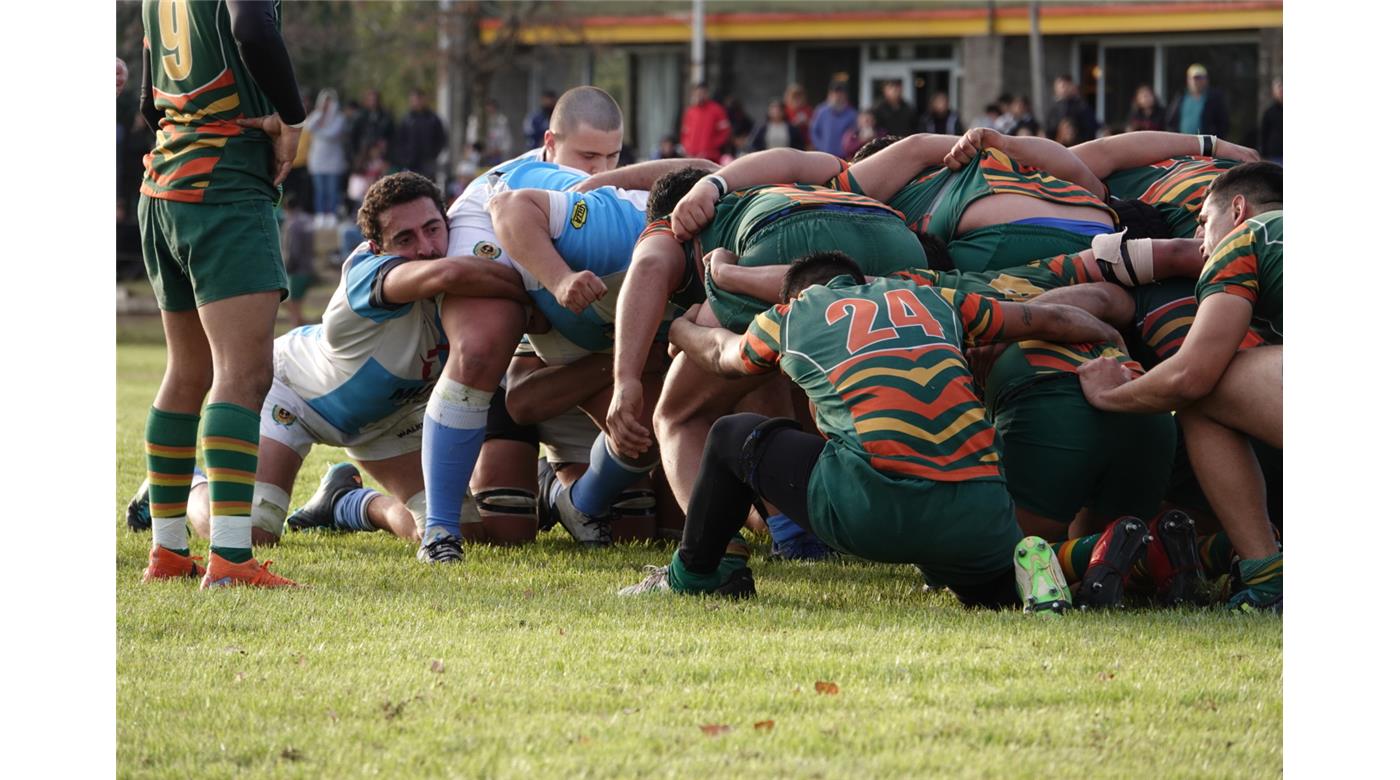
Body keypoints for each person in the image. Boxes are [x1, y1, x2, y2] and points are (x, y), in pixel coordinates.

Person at [619, 252, 1122, 610]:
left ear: (797, 294)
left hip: (873, 507)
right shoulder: (935, 299)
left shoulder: (796, 314)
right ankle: (1091, 553)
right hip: (980, 514)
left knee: (733, 435)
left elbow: (721, 355)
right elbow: (1052, 319)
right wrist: (1113, 342)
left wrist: (679, 328)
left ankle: (696, 575)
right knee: (996, 594)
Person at [128, 173, 533, 549]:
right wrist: (544, 286)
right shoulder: (367, 271)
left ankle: (346, 502)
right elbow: (445, 275)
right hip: (293, 396)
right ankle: (187, 484)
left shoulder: (459, 270)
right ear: (377, 248)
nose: (426, 248)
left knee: (463, 531)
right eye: (405, 238)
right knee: (252, 532)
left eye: (432, 228)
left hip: (391, 419)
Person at [136, 0, 306, 587]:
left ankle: (168, 553)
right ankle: (231, 559)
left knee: (187, 372)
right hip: (224, 183)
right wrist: (292, 118)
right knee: (244, 373)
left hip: (164, 181)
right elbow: (251, 26)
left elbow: (149, 85)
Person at [1077, 162, 1282, 611]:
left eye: (1205, 221)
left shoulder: (1244, 240)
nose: (1200, 239)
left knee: (1204, 395)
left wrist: (1109, 394)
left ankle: (1268, 579)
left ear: (1238, 210)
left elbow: (1192, 376)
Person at [306, 89, 349, 225]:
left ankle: (332, 214)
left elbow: (332, 134)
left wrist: (319, 130)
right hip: (317, 160)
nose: (327, 104)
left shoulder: (339, 118)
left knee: (333, 190)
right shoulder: (316, 115)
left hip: (334, 161)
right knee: (320, 190)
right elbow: (308, 127)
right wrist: (320, 113)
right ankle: (320, 214)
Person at [279, 190, 316, 328]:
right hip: (308, 266)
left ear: (286, 207)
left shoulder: (291, 224)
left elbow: (293, 249)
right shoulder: (307, 220)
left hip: (295, 269)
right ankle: (302, 323)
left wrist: (287, 267)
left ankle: (298, 328)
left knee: (291, 303)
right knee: (295, 304)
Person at [1166, 64, 1230, 139]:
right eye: (1195, 78)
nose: (1198, 81)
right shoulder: (1180, 97)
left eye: (1201, 78)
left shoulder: (1214, 99)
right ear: (1188, 80)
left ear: (1206, 80)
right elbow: (1171, 121)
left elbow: (1223, 124)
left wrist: (1215, 140)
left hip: (1206, 143)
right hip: (1182, 143)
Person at [396, 88, 448, 180]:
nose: (416, 103)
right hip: (410, 164)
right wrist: (404, 158)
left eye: (418, 100)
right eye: (413, 100)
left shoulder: (433, 119)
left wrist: (433, 155)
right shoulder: (406, 120)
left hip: (428, 164)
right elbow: (399, 141)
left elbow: (442, 139)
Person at [679, 83, 731, 164]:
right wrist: (687, 149)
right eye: (697, 93)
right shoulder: (690, 112)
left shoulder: (717, 110)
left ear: (707, 93)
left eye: (702, 93)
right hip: (691, 157)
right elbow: (685, 134)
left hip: (710, 157)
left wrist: (711, 146)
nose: (700, 96)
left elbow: (725, 132)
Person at [808, 82, 857, 157]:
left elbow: (854, 134)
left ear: (845, 96)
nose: (837, 97)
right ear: (829, 95)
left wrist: (846, 149)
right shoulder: (821, 111)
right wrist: (821, 147)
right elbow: (813, 131)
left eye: (840, 94)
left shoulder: (852, 114)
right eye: (834, 94)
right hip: (824, 155)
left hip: (843, 156)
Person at [1046, 75, 1098, 145]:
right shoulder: (1053, 108)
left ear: (1071, 86)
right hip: (1057, 145)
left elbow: (1090, 129)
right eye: (1060, 86)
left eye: (1065, 86)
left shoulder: (1082, 106)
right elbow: (1048, 130)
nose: (1063, 89)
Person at [349, 88, 395, 168]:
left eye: (375, 100)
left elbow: (392, 138)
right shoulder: (360, 117)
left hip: (381, 157)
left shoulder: (386, 117)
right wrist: (356, 156)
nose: (373, 102)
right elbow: (353, 137)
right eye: (371, 100)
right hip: (363, 157)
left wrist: (387, 156)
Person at [467, 98, 513, 166]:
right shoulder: (475, 121)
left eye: (491, 110)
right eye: (487, 110)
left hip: (497, 157)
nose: (489, 112)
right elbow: (471, 140)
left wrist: (496, 151)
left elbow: (507, 142)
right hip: (479, 157)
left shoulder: (501, 121)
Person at [783, 83, 813, 149]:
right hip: (790, 143)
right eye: (794, 97)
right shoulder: (785, 111)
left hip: (805, 143)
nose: (797, 99)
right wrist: (794, 124)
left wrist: (806, 122)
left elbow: (814, 126)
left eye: (799, 96)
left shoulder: (807, 110)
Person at [1259, 78, 1282, 163]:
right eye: (1279, 90)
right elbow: (1264, 133)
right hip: (1275, 154)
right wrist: (1263, 153)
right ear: (1274, 93)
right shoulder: (1269, 112)